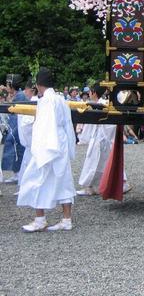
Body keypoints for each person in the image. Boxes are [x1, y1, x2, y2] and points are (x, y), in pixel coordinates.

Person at [17, 67, 76, 232]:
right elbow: (67, 124)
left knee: (36, 179)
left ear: (37, 84)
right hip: (61, 142)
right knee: (63, 179)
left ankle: (40, 219)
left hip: (48, 144)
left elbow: (44, 126)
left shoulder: (46, 101)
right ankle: (66, 219)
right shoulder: (60, 99)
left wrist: (40, 148)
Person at [76, 83, 117, 196]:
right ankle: (100, 186)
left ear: (94, 92)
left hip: (101, 138)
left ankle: (89, 187)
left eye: (90, 91)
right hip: (103, 137)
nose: (89, 93)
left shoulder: (100, 105)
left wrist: (84, 138)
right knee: (102, 163)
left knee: (92, 163)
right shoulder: (101, 104)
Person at [1, 74, 26, 184]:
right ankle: (16, 173)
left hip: (19, 126)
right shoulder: (17, 95)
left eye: (8, 84)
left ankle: (18, 174)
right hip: (15, 126)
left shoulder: (20, 96)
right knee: (14, 148)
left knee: (17, 150)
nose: (6, 86)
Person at [15, 79, 39, 194]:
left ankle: (28, 189)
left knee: (30, 167)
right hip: (34, 144)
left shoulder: (33, 103)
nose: (25, 92)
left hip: (32, 144)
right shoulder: (37, 102)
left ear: (31, 90)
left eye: (26, 90)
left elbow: (26, 127)